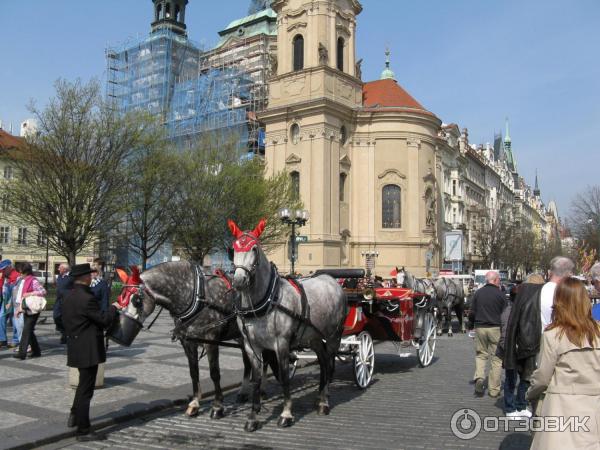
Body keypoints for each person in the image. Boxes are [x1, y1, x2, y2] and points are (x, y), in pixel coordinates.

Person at [526, 278, 600, 449]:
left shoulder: (554, 335)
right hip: (594, 406)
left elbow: (543, 376)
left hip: (561, 407)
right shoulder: (597, 332)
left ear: (559, 302)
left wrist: (530, 393)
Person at [62, 263, 119, 442]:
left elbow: (60, 319)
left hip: (75, 345)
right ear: (85, 277)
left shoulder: (69, 296)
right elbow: (103, 320)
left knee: (82, 386)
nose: (92, 276)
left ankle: (73, 415)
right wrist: (114, 307)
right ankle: (83, 430)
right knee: (86, 390)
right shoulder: (87, 298)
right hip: (88, 349)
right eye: (90, 274)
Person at [496, 274, 543, 418]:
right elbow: (506, 331)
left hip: (526, 345)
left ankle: (520, 405)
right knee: (512, 378)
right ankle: (510, 407)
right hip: (514, 345)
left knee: (525, 377)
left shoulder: (534, 306)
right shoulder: (510, 309)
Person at [468, 271, 505, 397]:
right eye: (499, 279)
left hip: (480, 327)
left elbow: (472, 312)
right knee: (497, 358)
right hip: (495, 328)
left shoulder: (478, 293)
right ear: (495, 280)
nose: (499, 281)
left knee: (481, 355)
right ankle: (494, 390)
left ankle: (479, 378)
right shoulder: (500, 295)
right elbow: (505, 315)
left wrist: (470, 326)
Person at [13, 263, 47, 360]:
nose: (19, 273)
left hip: (33, 308)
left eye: (20, 271)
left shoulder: (33, 280)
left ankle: (22, 353)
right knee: (29, 330)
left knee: (26, 330)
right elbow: (20, 297)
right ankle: (36, 351)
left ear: (25, 271)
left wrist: (31, 293)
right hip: (26, 307)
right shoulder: (23, 280)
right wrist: (19, 309)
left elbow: (43, 291)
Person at [540, 256, 574, 329]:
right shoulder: (566, 294)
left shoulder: (539, 290)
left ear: (550, 272)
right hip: (558, 336)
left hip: (539, 336)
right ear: (568, 274)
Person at [0, 260, 21, 349]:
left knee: (15, 319)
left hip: (15, 300)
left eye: (4, 269)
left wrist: (10, 303)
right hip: (6, 299)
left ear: (9, 267)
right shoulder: (5, 276)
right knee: (1, 317)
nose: (3, 271)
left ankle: (16, 340)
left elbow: (16, 293)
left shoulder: (17, 276)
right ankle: (2, 339)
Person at [54, 263, 72, 344]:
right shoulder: (59, 277)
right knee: (56, 316)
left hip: (67, 300)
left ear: (65, 269)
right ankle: (62, 330)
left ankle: (65, 335)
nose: (58, 269)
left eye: (60, 268)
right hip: (59, 300)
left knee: (66, 318)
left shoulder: (71, 277)